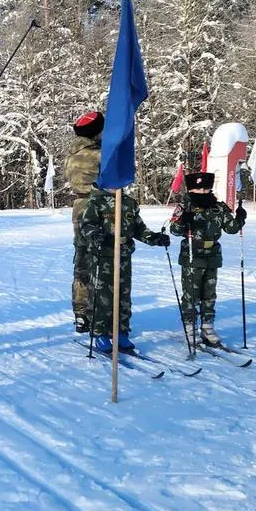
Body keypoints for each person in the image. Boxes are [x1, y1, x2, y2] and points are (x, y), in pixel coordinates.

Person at [77, 183, 170, 353]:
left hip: (124, 256)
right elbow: (87, 225)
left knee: (123, 295)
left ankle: (120, 331)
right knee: (102, 295)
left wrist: (155, 238)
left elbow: (139, 228)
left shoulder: (128, 203)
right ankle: (100, 333)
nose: (115, 185)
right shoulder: (95, 202)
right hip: (103, 255)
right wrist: (95, 235)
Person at [169, 171, 246, 347]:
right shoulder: (184, 207)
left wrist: (240, 217)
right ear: (191, 190)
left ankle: (207, 327)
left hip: (212, 256)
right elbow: (174, 230)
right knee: (191, 295)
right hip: (192, 255)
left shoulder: (218, 207)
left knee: (209, 294)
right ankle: (190, 327)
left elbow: (231, 229)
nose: (202, 192)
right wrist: (183, 221)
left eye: (205, 189)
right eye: (198, 190)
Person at [66, 111, 104, 333]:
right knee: (102, 261)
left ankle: (81, 313)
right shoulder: (98, 155)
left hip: (79, 208)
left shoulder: (72, 153)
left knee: (81, 261)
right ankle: (99, 311)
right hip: (99, 207)